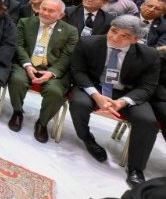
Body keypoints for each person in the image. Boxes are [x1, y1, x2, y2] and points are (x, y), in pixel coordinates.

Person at [69, 15, 160, 187]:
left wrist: (123, 102)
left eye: (124, 36)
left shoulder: (149, 55)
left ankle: (135, 168)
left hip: (126, 93)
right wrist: (96, 96)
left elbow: (147, 87)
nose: (115, 37)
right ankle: (88, 139)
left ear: (136, 39)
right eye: (113, 31)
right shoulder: (88, 43)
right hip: (94, 88)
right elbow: (78, 71)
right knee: (79, 103)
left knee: (147, 121)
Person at [7, 0, 78, 142]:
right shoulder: (25, 22)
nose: (45, 13)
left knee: (55, 92)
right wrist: (27, 64)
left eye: (51, 11)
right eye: (43, 8)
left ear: (61, 15)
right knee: (17, 80)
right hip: (26, 63)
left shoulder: (70, 31)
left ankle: (42, 123)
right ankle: (17, 112)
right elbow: (18, 46)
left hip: (53, 69)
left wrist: (52, 72)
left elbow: (67, 56)